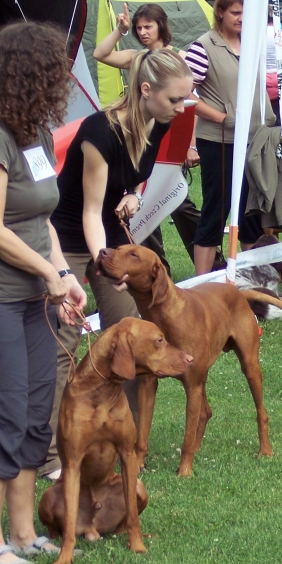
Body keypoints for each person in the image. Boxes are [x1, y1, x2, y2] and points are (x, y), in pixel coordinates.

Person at [48, 49, 194, 479]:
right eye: (175, 99)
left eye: (185, 98)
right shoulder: (100, 131)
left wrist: (132, 194)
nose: (182, 108)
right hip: (69, 236)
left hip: (107, 234)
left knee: (132, 337)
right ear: (146, 90)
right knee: (66, 340)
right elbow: (89, 211)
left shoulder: (157, 121)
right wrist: (104, 265)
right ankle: (51, 453)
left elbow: (130, 179)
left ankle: (119, 437)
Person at [0, 22, 87, 564]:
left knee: (37, 411)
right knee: (5, 410)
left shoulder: (36, 132)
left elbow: (42, 219)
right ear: (27, 75)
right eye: (54, 71)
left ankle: (23, 534)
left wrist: (64, 273)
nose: (63, 80)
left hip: (37, 299)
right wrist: (48, 273)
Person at [92, 2, 204, 272]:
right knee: (141, 202)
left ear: (161, 26)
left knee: (179, 203)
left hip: (170, 139)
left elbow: (191, 104)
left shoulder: (179, 58)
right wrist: (120, 31)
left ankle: (210, 263)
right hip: (139, 137)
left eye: (148, 26)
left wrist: (190, 145)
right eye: (138, 27)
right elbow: (100, 54)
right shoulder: (137, 58)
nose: (142, 32)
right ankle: (158, 269)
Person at [185, 0, 274, 275]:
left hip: (255, 140)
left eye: (247, 13)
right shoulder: (203, 47)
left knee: (251, 211)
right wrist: (220, 116)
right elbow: (182, 92)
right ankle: (201, 282)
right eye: (236, 12)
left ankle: (252, 278)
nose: (242, 18)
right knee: (217, 209)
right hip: (219, 141)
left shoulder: (253, 43)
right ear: (220, 12)